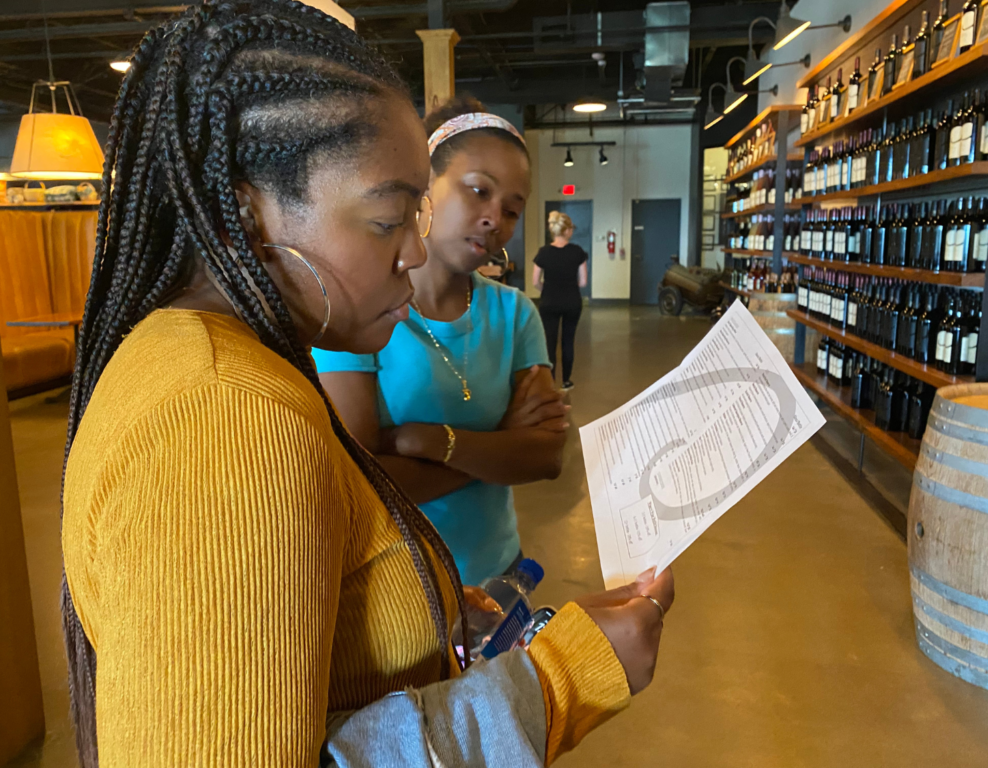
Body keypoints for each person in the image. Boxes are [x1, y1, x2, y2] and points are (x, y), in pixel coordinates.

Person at [58, 3, 673, 767]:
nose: (414, 253)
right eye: (388, 219)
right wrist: (559, 681)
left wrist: (427, 620)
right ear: (247, 217)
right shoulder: (223, 419)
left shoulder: (221, 366)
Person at [315, 97, 566, 587]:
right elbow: (362, 487)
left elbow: (545, 457)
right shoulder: (358, 316)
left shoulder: (514, 314)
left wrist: (429, 442)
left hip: (500, 579)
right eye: (479, 191)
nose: (496, 218)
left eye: (512, 209)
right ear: (424, 183)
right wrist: (497, 450)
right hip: (402, 593)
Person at [533, 211, 588, 390]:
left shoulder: (543, 252)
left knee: (549, 342)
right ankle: (566, 381)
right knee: (567, 340)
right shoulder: (578, 252)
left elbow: (535, 282)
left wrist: (547, 290)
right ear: (567, 231)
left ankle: (551, 381)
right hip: (572, 302)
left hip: (549, 302)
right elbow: (583, 281)